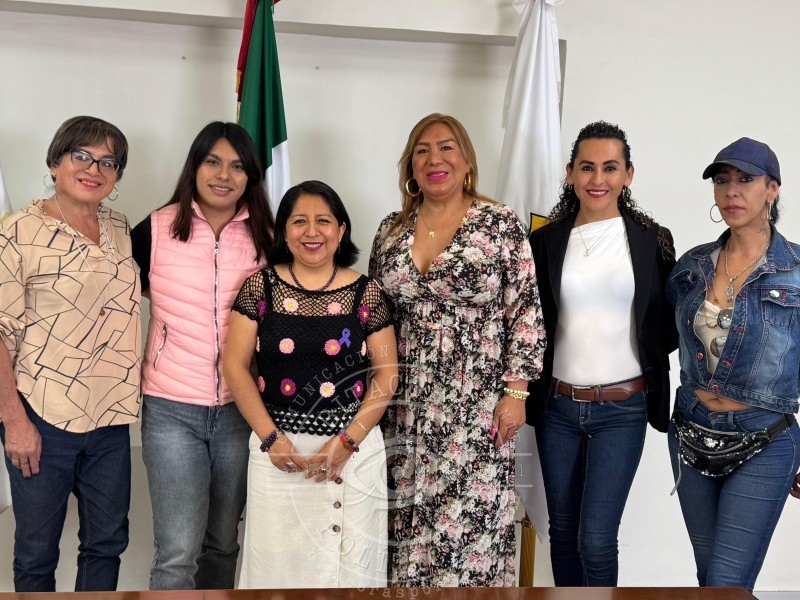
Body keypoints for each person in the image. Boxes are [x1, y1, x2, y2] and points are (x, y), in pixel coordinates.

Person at [369, 113, 546, 587]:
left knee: (471, 536)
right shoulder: (390, 231)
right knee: (407, 530)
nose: (435, 158)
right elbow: (373, 316)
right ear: (411, 166)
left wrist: (517, 393)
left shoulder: (498, 224)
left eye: (446, 147)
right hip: (404, 406)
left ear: (467, 161)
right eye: (422, 150)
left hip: (477, 406)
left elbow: (525, 311)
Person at [224, 179, 398, 589]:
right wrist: (271, 439)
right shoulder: (259, 287)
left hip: (352, 453)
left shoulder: (367, 293)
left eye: (323, 220)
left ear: (341, 230)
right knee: (274, 574)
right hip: (278, 454)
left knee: (350, 577)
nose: (312, 231)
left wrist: (348, 442)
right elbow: (234, 366)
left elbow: (387, 375)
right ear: (284, 232)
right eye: (299, 221)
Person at [528, 121, 676, 587]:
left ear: (628, 174)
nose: (598, 179)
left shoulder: (652, 239)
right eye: (587, 167)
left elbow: (666, 324)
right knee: (562, 533)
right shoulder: (545, 241)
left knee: (595, 539)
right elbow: (530, 323)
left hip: (623, 409)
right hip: (557, 408)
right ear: (570, 173)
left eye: (610, 168)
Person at [131, 121, 274, 590]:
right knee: (177, 552)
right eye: (213, 161)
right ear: (194, 165)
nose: (223, 175)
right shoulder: (155, 229)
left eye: (237, 166)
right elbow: (121, 294)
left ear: (250, 176)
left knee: (223, 543)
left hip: (240, 410)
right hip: (171, 410)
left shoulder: (267, 237)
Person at [0, 116, 141, 592]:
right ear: (55, 162)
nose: (93, 169)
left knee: (107, 543)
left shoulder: (120, 228)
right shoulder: (18, 232)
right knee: (37, 552)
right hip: (42, 417)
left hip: (111, 419)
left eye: (108, 162)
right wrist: (14, 422)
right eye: (82, 156)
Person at [667, 137, 800, 592]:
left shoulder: (796, 271)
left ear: (772, 189)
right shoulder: (691, 266)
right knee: (710, 580)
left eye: (745, 179)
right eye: (722, 181)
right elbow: (658, 334)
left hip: (765, 438)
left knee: (726, 584)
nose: (731, 191)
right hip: (691, 430)